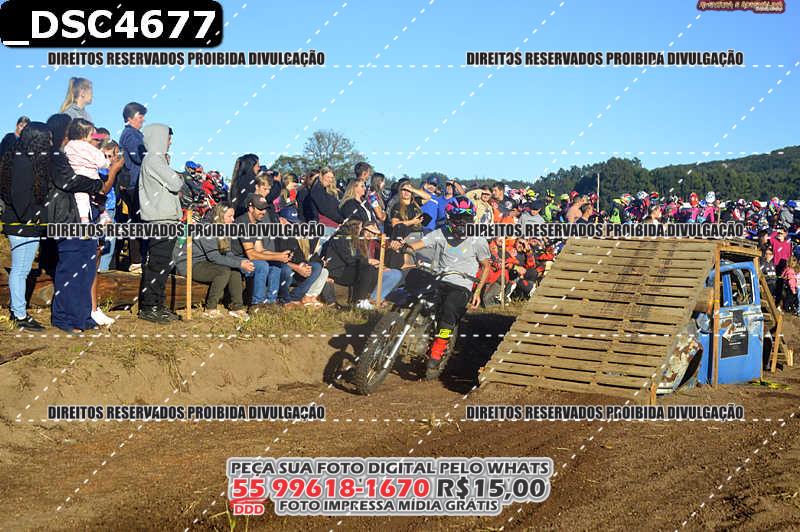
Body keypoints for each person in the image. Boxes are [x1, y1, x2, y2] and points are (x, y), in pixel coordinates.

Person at [47, 114, 123, 332]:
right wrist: (107, 174)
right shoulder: (59, 157)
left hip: (86, 215)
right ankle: (65, 318)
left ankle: (82, 316)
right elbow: (75, 182)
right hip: (70, 219)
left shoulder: (68, 154)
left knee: (86, 270)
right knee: (71, 270)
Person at [402, 196, 491, 370]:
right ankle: (399, 326)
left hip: (462, 285)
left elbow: (486, 266)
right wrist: (402, 246)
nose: (463, 223)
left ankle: (438, 348)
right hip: (440, 279)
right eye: (459, 218)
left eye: (466, 218)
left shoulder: (478, 240)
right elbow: (417, 244)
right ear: (450, 218)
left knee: (450, 307)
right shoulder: (441, 233)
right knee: (414, 291)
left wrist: (478, 292)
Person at [0, 122, 51, 330]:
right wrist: (35, 219)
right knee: (20, 270)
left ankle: (19, 310)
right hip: (22, 225)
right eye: (47, 139)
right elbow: (20, 197)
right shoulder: (22, 162)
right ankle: (19, 314)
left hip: (25, 223)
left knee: (22, 270)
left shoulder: (24, 159)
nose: (50, 143)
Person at [172, 201, 253, 319]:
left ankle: (237, 308)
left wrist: (242, 262)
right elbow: (214, 257)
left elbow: (227, 253)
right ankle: (210, 308)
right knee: (223, 271)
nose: (233, 219)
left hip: (205, 262)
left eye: (233, 216)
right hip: (190, 264)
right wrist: (239, 263)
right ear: (220, 216)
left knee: (235, 270)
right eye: (230, 216)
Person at [137, 123, 184, 324]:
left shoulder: (156, 160)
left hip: (165, 219)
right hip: (160, 221)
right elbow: (176, 183)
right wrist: (176, 174)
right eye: (168, 137)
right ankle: (150, 307)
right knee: (157, 266)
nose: (170, 142)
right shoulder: (154, 160)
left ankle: (158, 305)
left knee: (162, 266)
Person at [231, 194, 292, 308]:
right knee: (262, 265)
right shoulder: (243, 223)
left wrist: (280, 255)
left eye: (265, 209)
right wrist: (277, 257)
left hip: (248, 258)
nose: (263, 212)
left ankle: (270, 302)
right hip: (236, 260)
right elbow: (251, 254)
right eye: (260, 209)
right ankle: (257, 304)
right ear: (251, 208)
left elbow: (260, 249)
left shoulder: (257, 224)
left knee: (276, 266)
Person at [274, 204, 324, 306]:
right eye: (291, 223)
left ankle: (295, 296)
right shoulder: (274, 236)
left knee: (316, 267)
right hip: (280, 271)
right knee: (286, 270)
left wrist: (303, 265)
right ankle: (284, 299)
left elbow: (300, 256)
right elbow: (275, 260)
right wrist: (297, 267)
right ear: (281, 220)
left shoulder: (293, 235)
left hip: (294, 271)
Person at [324, 219, 379, 310]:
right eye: (360, 228)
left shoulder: (353, 239)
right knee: (367, 268)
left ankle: (365, 298)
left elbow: (357, 257)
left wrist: (368, 262)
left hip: (347, 268)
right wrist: (367, 261)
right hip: (338, 272)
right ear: (354, 227)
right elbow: (349, 259)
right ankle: (359, 301)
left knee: (372, 269)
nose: (361, 230)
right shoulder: (340, 238)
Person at [118, 102, 147, 272]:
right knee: (137, 220)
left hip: (134, 182)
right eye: (140, 116)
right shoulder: (130, 134)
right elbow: (138, 156)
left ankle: (138, 259)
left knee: (137, 220)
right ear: (130, 118)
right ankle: (136, 260)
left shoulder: (134, 133)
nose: (142, 120)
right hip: (133, 183)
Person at [310, 167, 343, 238]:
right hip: (324, 227)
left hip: (332, 226)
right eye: (328, 177)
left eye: (332, 178)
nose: (330, 180)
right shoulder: (317, 190)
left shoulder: (329, 190)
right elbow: (326, 209)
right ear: (321, 176)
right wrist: (341, 220)